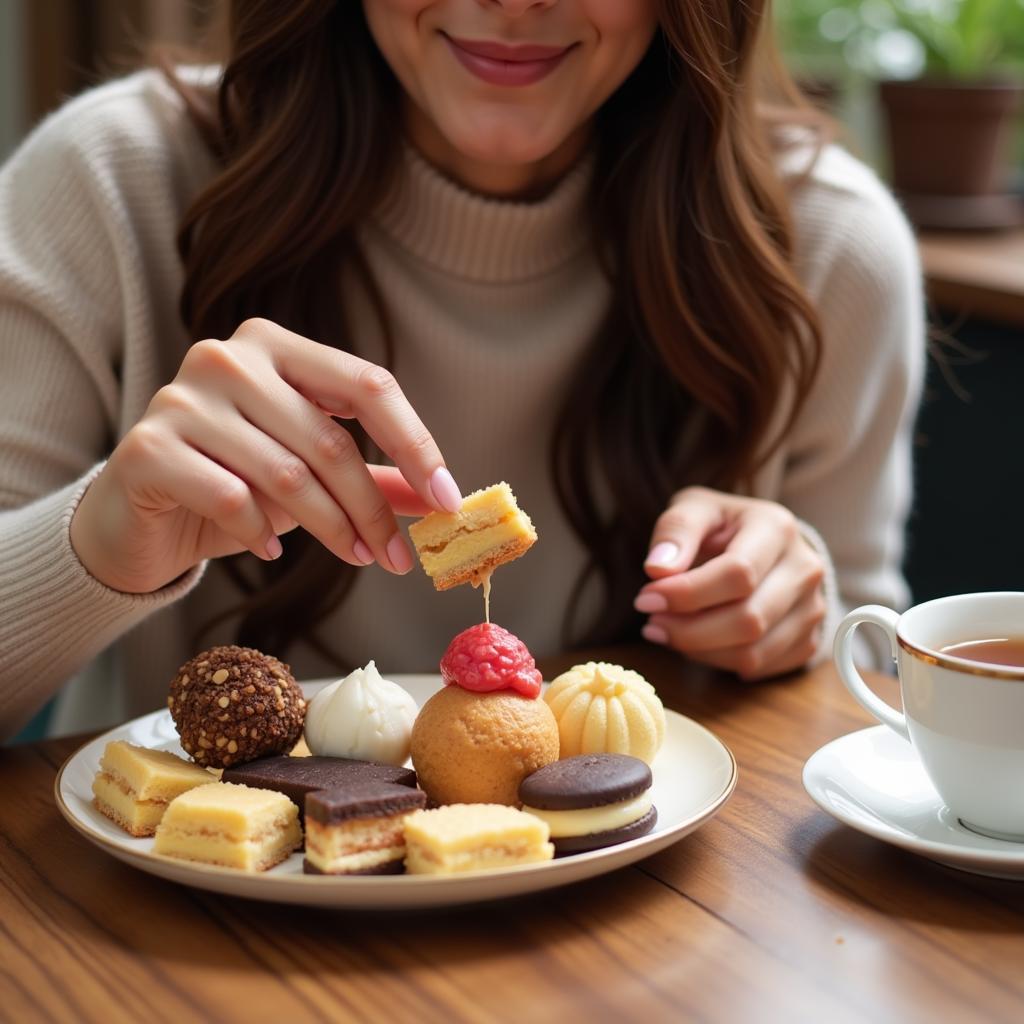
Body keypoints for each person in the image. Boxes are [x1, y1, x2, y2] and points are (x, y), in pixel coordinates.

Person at [0, 0, 923, 740]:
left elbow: (880, 687)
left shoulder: (827, 251)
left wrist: (799, 615)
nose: (513, 3)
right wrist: (97, 550)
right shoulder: (110, 181)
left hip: (643, 928)